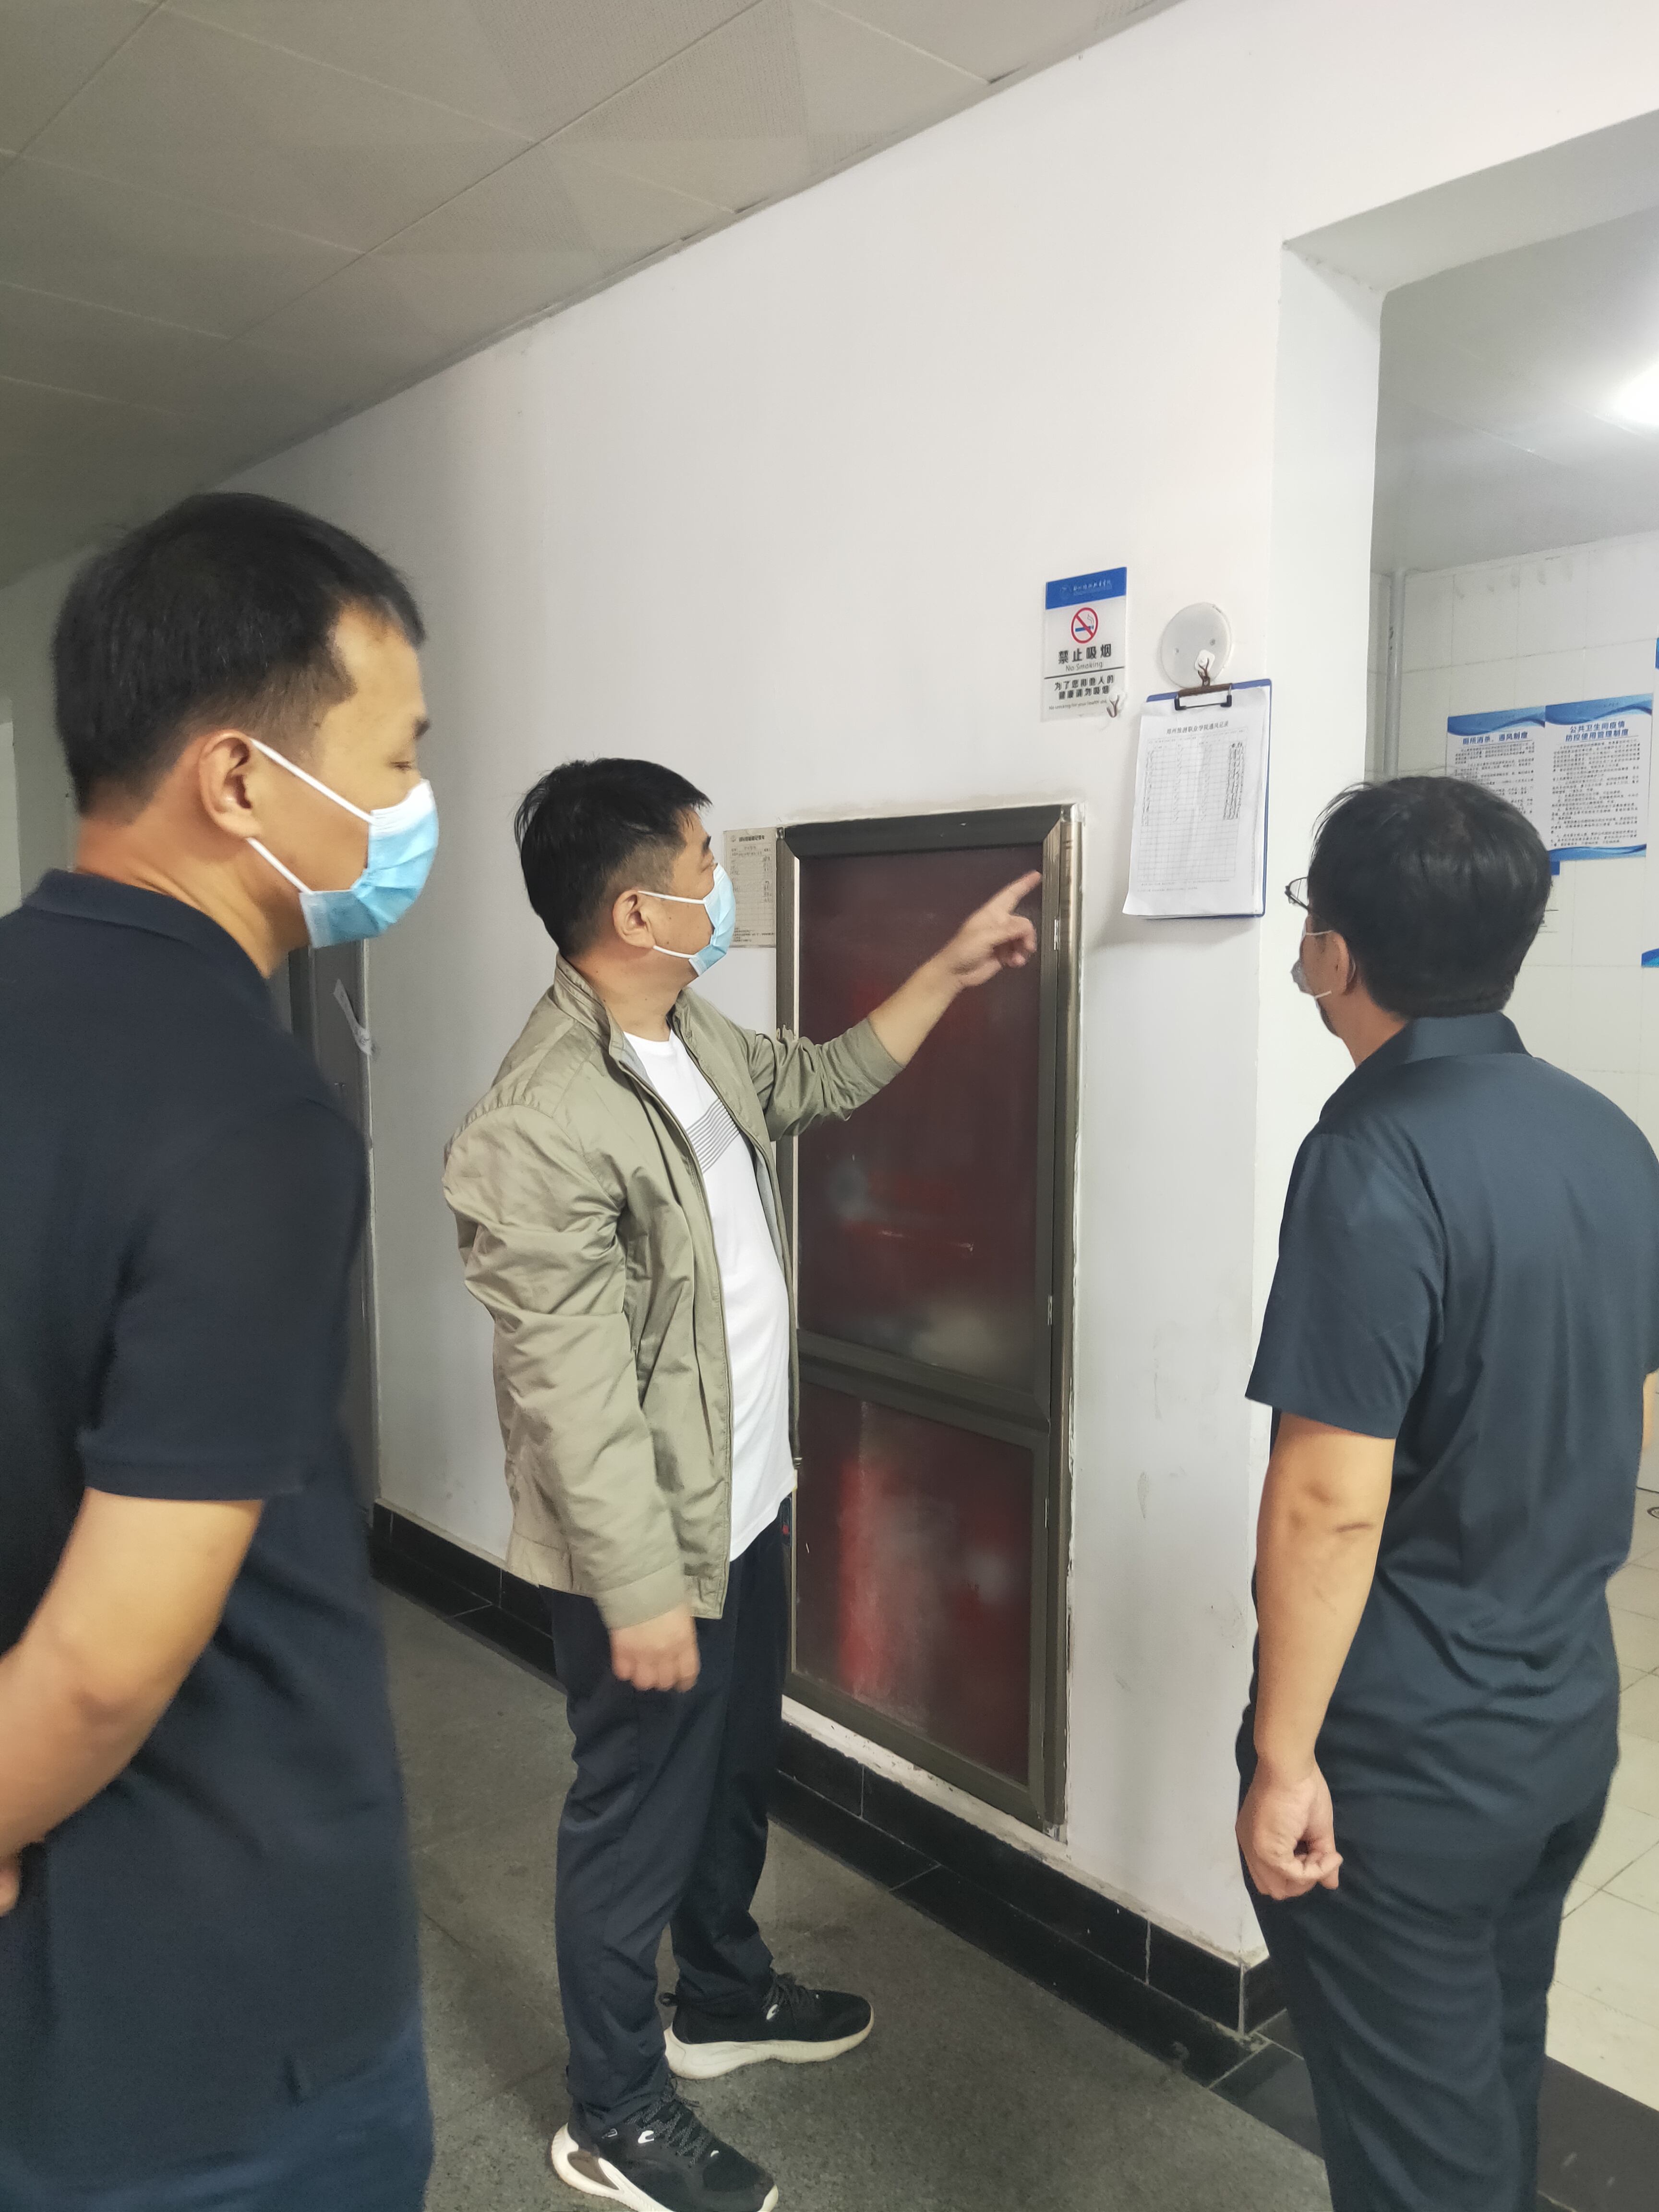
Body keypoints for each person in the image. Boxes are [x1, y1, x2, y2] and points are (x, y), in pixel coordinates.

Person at [443, 758, 1038, 2212]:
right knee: (634, 1813)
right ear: (637, 910)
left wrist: (949, 969)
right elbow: (571, 1397)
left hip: (743, 1504)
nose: (722, 886)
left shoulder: (687, 1030)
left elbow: (813, 1081)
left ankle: (718, 1996)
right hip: (646, 1552)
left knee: (732, 1773)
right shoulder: (541, 1121)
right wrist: (640, 1590)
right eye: (705, 866)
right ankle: (614, 2114)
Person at [0, 493, 441, 2210]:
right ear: (242, 780)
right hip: (215, 2017)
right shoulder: (251, 1114)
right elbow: (108, 1665)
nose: (407, 812)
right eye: (394, 762)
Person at [1236, 774, 1659, 2212]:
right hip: (1562, 1718)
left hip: (1405, 1762)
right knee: (1488, 2071)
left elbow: (1329, 1502)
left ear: (1335, 954)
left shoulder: (1371, 1151)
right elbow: (1622, 1407)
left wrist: (1284, 1760)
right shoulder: (1607, 1134)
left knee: (1421, 2157)